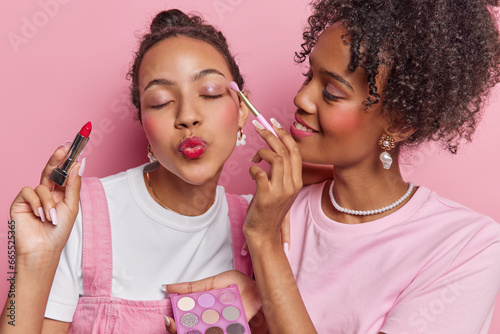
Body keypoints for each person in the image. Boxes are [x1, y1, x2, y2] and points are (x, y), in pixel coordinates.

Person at [167, 0, 500, 333]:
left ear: (399, 123)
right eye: (308, 76)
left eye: (330, 91)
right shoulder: (280, 207)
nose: (301, 99)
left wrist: (265, 241)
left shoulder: (467, 246)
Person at [0, 9, 263, 333]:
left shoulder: (263, 223)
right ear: (144, 125)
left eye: (209, 92)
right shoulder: (79, 213)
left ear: (242, 111)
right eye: (161, 101)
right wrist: (32, 261)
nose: (187, 116)